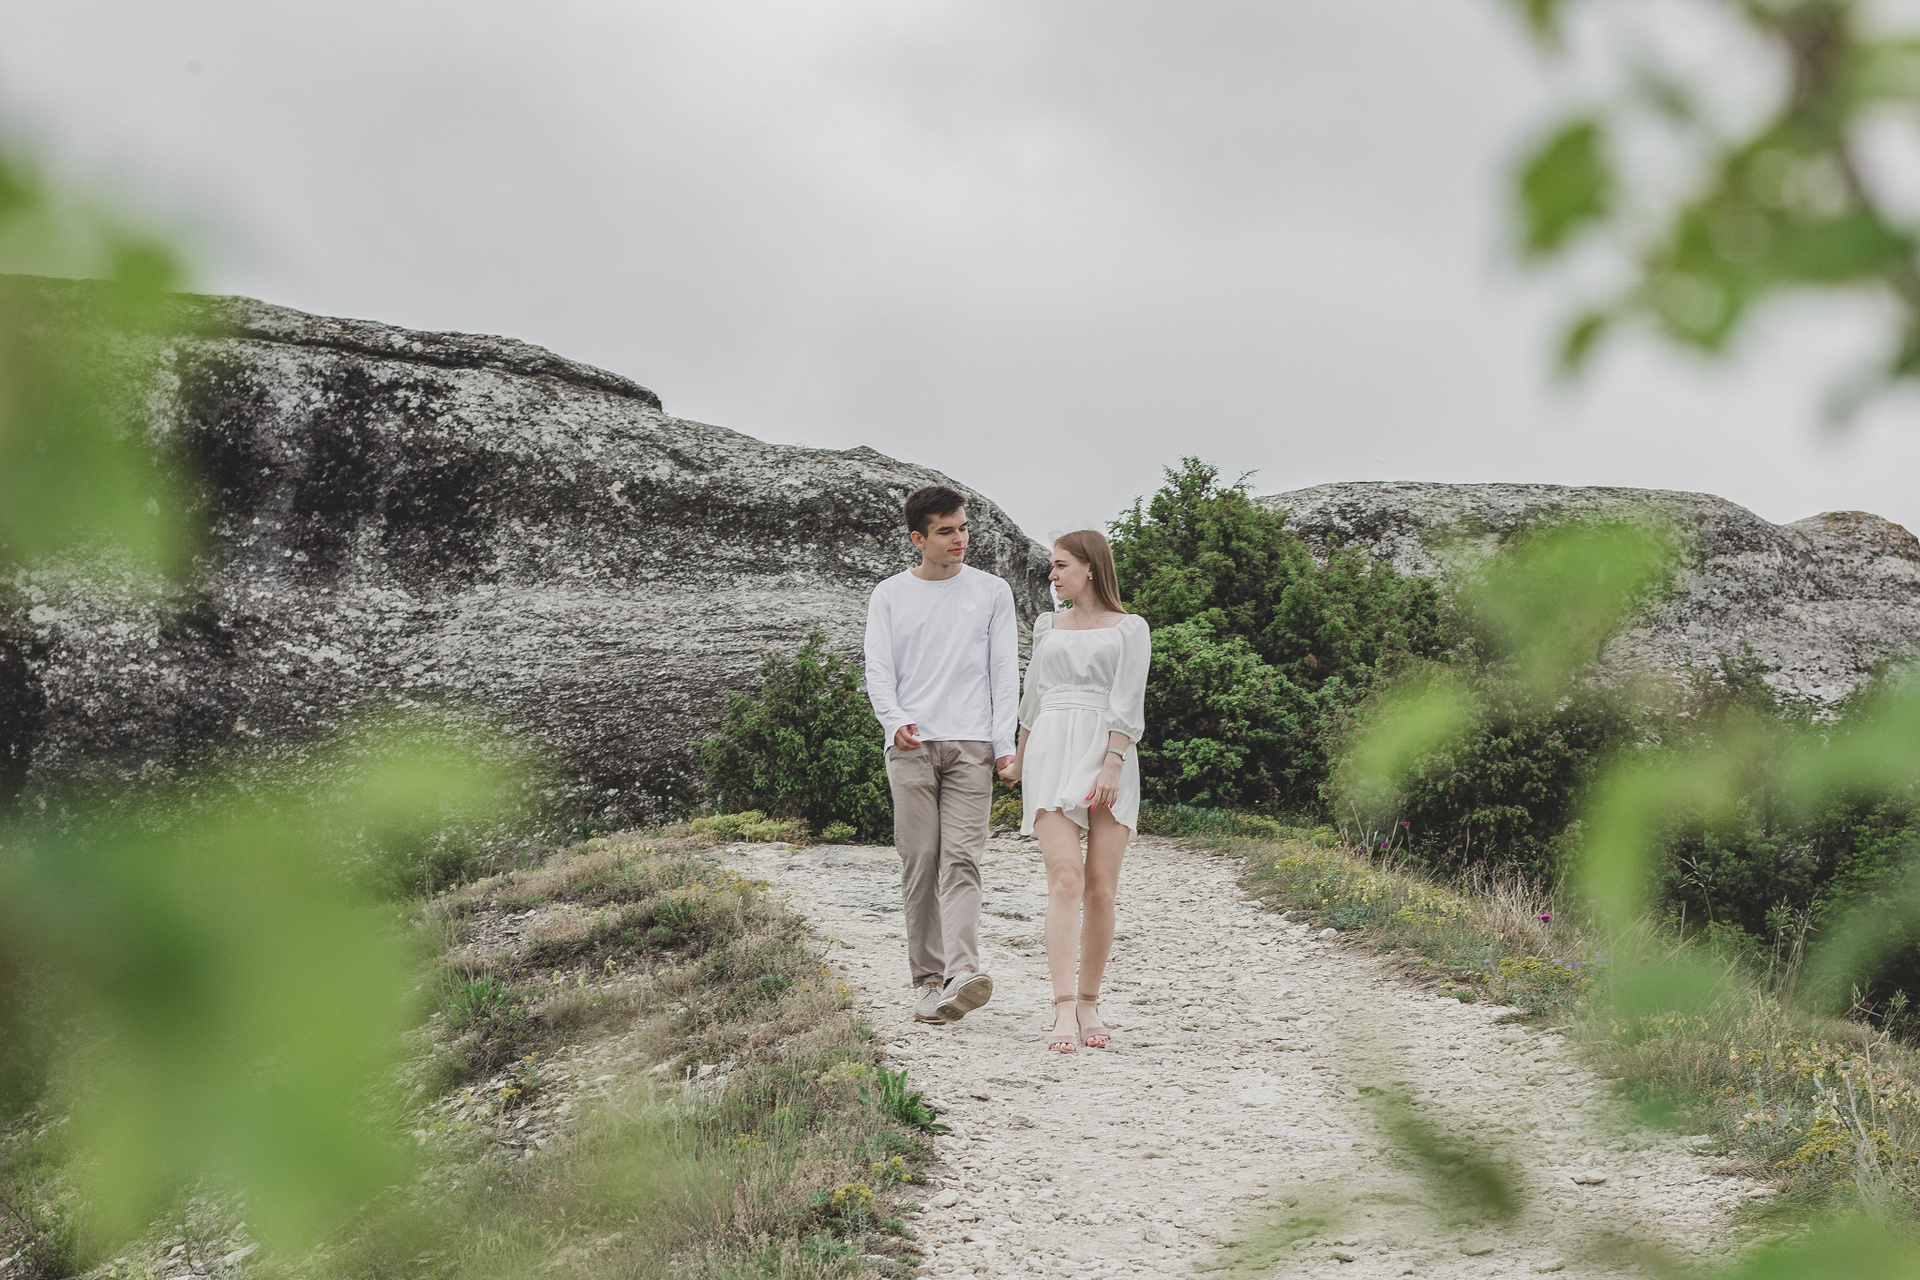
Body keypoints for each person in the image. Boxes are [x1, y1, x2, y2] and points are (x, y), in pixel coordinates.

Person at [864, 485, 1020, 1025]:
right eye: (946, 531)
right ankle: (928, 981)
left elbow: (1004, 671)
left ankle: (961, 973)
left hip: (972, 745)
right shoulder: (889, 594)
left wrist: (1004, 747)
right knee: (920, 859)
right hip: (911, 744)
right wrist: (893, 721)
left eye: (963, 528)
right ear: (918, 538)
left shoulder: (993, 591)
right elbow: (878, 667)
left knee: (962, 858)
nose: (960, 539)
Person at [998, 530, 1150, 1052]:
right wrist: (1019, 760)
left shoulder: (1130, 628)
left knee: (1100, 888)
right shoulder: (1048, 625)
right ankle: (1063, 1005)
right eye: (1053, 565)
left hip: (1108, 752)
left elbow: (1129, 701)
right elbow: (1033, 700)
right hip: (1050, 751)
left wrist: (1112, 763)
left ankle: (1089, 1002)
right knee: (1065, 879)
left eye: (1061, 564)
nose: (1053, 574)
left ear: (1090, 567)